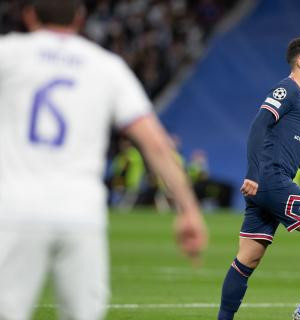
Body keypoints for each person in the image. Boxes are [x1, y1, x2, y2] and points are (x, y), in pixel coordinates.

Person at [0, 1, 207, 319]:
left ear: (29, 15)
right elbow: (155, 142)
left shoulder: (10, 53)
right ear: (80, 19)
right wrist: (189, 209)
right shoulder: (105, 66)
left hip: (15, 209)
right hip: (81, 213)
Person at [217, 37, 300, 320]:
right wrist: (253, 172)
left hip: (265, 188)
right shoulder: (288, 90)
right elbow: (259, 123)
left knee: (247, 260)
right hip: (272, 181)